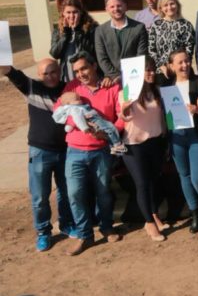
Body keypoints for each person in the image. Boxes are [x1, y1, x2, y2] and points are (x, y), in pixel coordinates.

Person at [54, 51, 124, 256]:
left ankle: (107, 226)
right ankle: (84, 234)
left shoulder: (111, 87)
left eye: (84, 68)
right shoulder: (71, 88)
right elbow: (59, 113)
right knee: (75, 193)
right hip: (75, 151)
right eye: (76, 71)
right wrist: (75, 121)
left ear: (94, 66)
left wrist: (110, 132)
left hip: (101, 151)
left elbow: (122, 116)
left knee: (103, 192)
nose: (81, 74)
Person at [1, 60, 73, 252]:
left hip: (66, 150)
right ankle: (44, 232)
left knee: (66, 192)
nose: (49, 77)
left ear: (60, 71)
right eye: (45, 73)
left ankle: (66, 224)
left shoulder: (69, 90)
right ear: (39, 75)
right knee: (40, 196)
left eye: (53, 72)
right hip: (40, 151)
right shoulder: (31, 87)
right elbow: (9, 71)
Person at [159, 49, 198, 233]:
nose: (185, 65)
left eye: (187, 61)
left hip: (197, 136)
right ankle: (195, 213)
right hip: (176, 136)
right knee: (184, 176)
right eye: (180, 62)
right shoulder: (166, 86)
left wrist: (197, 109)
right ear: (171, 66)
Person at [118, 57, 168, 242]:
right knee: (142, 183)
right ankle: (148, 222)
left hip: (155, 142)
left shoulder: (157, 91)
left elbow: (162, 115)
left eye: (153, 69)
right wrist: (124, 110)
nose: (151, 73)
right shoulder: (126, 93)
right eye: (147, 70)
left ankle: (154, 214)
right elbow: (123, 117)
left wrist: (164, 134)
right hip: (134, 146)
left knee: (154, 181)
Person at [94, 0, 148, 87]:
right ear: (106, 9)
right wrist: (116, 76)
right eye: (112, 7)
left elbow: (141, 54)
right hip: (112, 81)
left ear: (125, 6)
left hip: (135, 78)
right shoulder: (100, 31)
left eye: (119, 5)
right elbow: (102, 58)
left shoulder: (139, 27)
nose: (116, 9)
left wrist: (128, 76)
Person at [53, 92, 126, 155]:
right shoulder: (75, 108)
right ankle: (117, 147)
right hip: (94, 119)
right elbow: (78, 118)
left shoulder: (71, 108)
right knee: (110, 128)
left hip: (94, 129)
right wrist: (84, 128)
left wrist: (70, 126)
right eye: (77, 99)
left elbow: (74, 119)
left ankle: (114, 147)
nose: (81, 100)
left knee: (107, 133)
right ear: (68, 103)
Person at [50, 0, 98, 83]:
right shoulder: (58, 31)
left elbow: (89, 51)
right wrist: (66, 34)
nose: (71, 16)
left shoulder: (91, 28)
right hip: (67, 75)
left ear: (81, 13)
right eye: (68, 12)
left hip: (87, 74)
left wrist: (77, 31)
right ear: (63, 13)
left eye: (75, 12)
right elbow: (55, 53)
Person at [148, 0, 195, 74]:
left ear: (177, 5)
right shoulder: (155, 25)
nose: (169, 7)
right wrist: (161, 66)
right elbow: (151, 50)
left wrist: (179, 65)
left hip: (182, 69)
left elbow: (189, 49)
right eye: (165, 5)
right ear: (161, 8)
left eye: (172, 4)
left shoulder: (186, 25)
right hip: (161, 71)